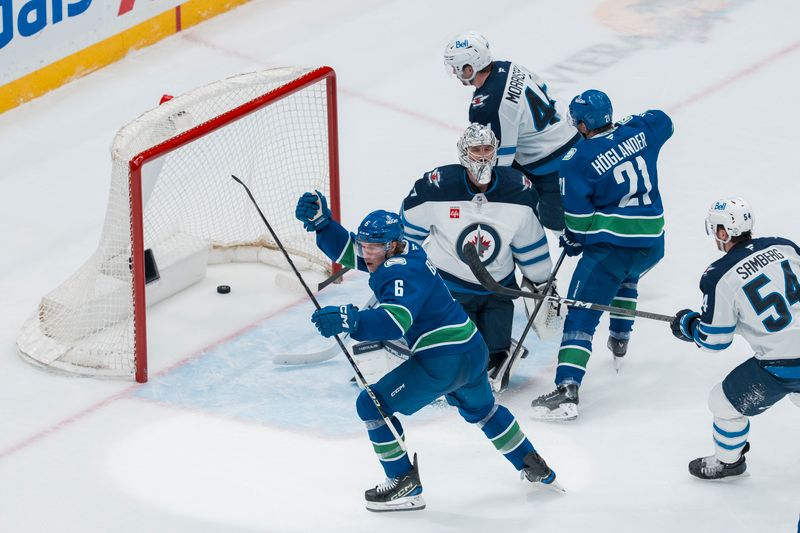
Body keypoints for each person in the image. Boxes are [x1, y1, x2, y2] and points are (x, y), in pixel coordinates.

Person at [294, 192, 561, 512]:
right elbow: (351, 251)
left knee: (371, 405)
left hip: (442, 361)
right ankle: (532, 463)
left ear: (391, 246)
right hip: (472, 350)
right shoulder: (408, 250)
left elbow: (395, 321)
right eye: (365, 245)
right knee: (484, 411)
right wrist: (323, 226)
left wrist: (349, 319)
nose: (366, 254)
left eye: (373, 247)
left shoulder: (398, 272)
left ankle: (403, 483)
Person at [530, 89, 672, 420]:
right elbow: (662, 120)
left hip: (613, 250)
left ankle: (567, 388)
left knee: (581, 312)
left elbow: (578, 223)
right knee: (627, 277)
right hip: (653, 244)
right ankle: (620, 339)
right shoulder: (640, 132)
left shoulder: (576, 161)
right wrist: (623, 129)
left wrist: (572, 238)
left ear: (581, 125)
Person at [401, 123, 562, 393]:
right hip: (450, 287)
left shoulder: (518, 191)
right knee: (459, 352)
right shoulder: (438, 187)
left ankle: (501, 352)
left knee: (494, 355)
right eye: (476, 150)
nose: (483, 156)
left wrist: (542, 282)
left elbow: (530, 244)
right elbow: (408, 233)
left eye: (488, 149)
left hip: (498, 286)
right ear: (464, 153)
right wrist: (399, 267)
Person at [671, 198, 800, 479]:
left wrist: (689, 324)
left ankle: (729, 462)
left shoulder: (718, 276)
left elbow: (714, 340)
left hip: (782, 366)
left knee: (722, 403)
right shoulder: (784, 246)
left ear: (722, 232)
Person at [443, 31, 581, 232]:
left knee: (554, 221)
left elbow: (497, 163)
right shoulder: (508, 66)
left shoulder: (486, 106)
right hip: (572, 135)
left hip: (553, 161)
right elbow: (544, 87)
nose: (455, 73)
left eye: (457, 68)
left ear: (469, 67)